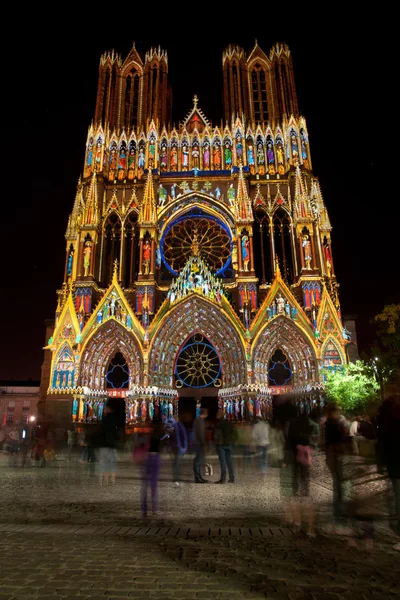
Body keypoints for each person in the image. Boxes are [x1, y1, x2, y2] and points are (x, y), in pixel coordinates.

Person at [287, 413, 319, 535]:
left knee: (298, 471)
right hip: (304, 452)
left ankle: (297, 488)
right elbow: (313, 440)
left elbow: (290, 439)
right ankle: (304, 488)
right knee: (304, 471)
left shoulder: (294, 427)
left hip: (297, 453)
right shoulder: (310, 426)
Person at [376, 389, 400, 550]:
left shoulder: (387, 411)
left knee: (398, 497)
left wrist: (381, 461)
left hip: (395, 461)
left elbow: (382, 438)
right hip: (395, 461)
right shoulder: (389, 411)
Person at [324, 403, 351, 530]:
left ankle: (339, 512)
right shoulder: (333, 424)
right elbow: (337, 440)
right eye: (338, 411)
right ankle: (339, 514)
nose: (339, 413)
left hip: (334, 457)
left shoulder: (331, 423)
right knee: (339, 486)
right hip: (335, 457)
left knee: (339, 485)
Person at [141, 416, 164, 517]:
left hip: (148, 457)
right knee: (153, 485)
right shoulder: (160, 435)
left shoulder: (149, 435)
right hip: (156, 457)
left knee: (145, 484)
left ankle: (144, 508)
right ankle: (154, 508)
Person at [98, 402, 119, 486]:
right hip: (112, 445)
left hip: (104, 445)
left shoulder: (104, 420)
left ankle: (103, 481)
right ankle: (113, 481)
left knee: (104, 464)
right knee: (112, 464)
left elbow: (100, 433)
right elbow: (117, 434)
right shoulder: (114, 421)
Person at [214, 410, 235, 483]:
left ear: (219, 416)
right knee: (229, 461)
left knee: (223, 462)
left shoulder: (218, 424)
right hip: (228, 444)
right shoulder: (229, 422)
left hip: (221, 444)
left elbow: (216, 435)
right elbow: (232, 432)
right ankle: (232, 478)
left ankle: (223, 478)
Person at [193, 408, 208, 483]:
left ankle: (198, 476)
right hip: (199, 442)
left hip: (196, 442)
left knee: (198, 460)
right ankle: (197, 477)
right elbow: (201, 433)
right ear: (205, 414)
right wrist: (203, 442)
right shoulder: (200, 421)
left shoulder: (196, 420)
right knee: (198, 460)